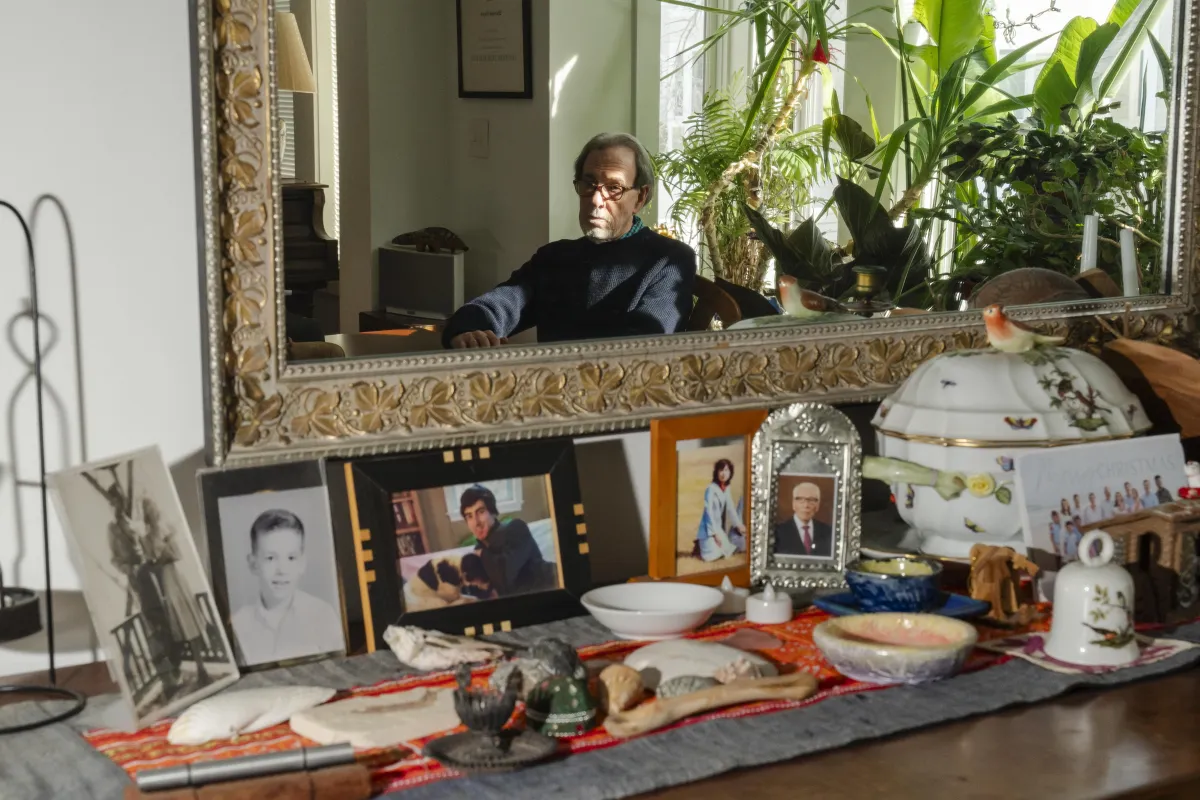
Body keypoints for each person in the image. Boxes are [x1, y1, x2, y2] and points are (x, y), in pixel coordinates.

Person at [442, 132, 697, 349]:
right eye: (589, 184)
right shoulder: (556, 257)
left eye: (614, 188)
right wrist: (468, 329)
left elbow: (643, 348)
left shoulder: (669, 261)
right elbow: (503, 303)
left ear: (640, 198)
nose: (596, 200)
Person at [230, 509, 344, 665]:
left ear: (302, 563)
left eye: (291, 558)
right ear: (253, 564)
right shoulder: (239, 625)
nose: (282, 570)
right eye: (270, 558)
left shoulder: (323, 616)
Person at [461, 485, 558, 596]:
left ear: (493, 512)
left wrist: (482, 554)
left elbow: (506, 575)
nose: (476, 522)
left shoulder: (516, 528)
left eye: (481, 512)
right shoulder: (477, 552)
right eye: (469, 516)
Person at [693, 459, 746, 562]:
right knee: (715, 556)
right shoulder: (710, 489)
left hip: (718, 529)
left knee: (730, 551)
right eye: (721, 470)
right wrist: (714, 534)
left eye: (726, 470)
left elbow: (730, 509)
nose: (723, 473)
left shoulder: (726, 488)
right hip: (708, 531)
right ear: (716, 472)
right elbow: (708, 513)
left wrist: (739, 525)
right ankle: (699, 545)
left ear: (730, 472)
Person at [774, 481, 833, 558]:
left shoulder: (829, 532)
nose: (806, 505)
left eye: (811, 500)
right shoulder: (777, 532)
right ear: (793, 504)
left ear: (817, 505)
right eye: (800, 500)